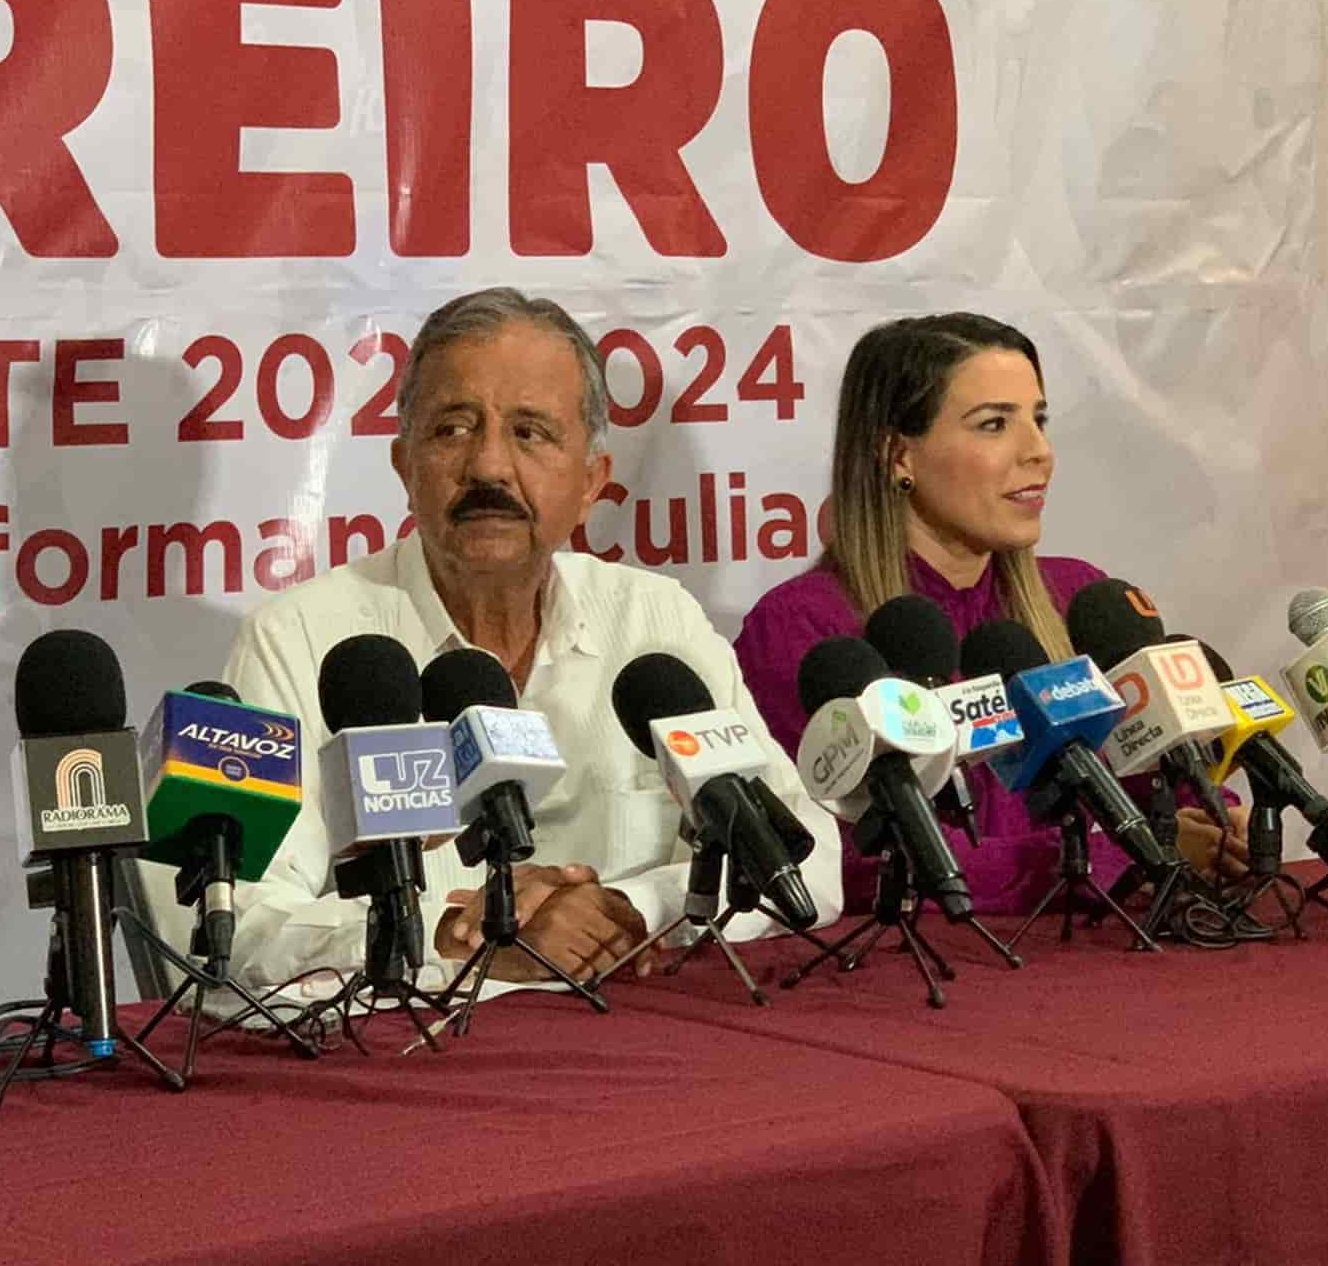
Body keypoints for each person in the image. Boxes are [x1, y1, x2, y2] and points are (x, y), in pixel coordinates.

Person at [222, 287, 842, 992]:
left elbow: (807, 858)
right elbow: (234, 917)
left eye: (530, 433)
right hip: (414, 1041)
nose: (488, 466)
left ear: (591, 481)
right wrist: (455, 935)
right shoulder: (298, 640)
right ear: (403, 466)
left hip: (643, 1030)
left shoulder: (656, 621)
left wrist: (632, 909)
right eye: (453, 429)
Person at [735, 313, 1247, 918]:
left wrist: (1213, 822)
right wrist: (1117, 858)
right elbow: (846, 858)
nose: (1039, 453)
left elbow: (1161, 784)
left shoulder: (1077, 597)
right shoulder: (804, 628)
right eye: (995, 424)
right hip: (932, 966)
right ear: (898, 455)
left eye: (1039, 420)